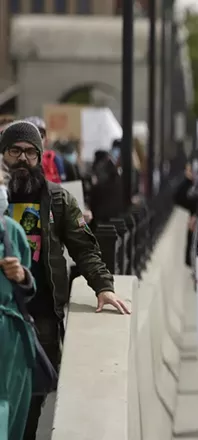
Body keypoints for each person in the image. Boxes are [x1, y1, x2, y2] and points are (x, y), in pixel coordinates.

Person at [0, 121, 128, 440]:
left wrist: (104, 286)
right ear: (3, 155)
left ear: (40, 157)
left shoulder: (58, 199)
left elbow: (85, 247)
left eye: (31, 152)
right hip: (2, 309)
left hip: (40, 314)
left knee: (31, 397)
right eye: (15, 150)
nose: (22, 158)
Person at [0, 170, 36, 440]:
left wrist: (23, 276)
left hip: (12, 344)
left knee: (12, 419)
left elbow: (29, 287)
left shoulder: (12, 232)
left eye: (0, 181)